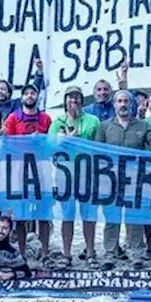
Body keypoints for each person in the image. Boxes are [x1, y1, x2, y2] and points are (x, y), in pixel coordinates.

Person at [94, 89, 151, 267]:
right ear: (114, 105)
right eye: (119, 101)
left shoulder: (144, 126)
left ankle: (136, 253)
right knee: (111, 218)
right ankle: (110, 253)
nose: (123, 104)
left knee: (135, 217)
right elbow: (97, 153)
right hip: (111, 180)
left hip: (135, 179)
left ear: (132, 104)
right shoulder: (104, 126)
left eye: (126, 101)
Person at [49, 86, 101, 265]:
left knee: (88, 215)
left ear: (82, 100)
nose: (74, 101)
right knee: (68, 215)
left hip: (87, 174)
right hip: (65, 175)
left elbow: (99, 147)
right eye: (70, 98)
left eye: (77, 98)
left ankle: (91, 252)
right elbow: (49, 147)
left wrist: (80, 142)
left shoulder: (93, 120)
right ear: (65, 100)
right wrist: (66, 141)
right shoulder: (57, 122)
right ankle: (66, 253)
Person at [4, 83, 52, 258]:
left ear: (37, 96)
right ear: (22, 97)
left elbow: (51, 143)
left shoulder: (46, 118)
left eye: (33, 93)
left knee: (44, 212)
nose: (30, 96)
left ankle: (45, 251)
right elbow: (6, 144)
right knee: (21, 214)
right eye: (27, 94)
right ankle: (22, 252)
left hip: (41, 170)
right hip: (19, 171)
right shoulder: (12, 118)